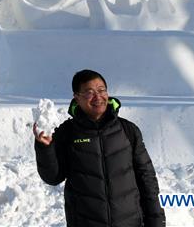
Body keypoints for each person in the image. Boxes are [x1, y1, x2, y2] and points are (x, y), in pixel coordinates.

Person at [33, 70, 166, 227]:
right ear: (76, 97)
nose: (98, 97)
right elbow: (52, 177)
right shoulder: (67, 133)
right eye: (89, 92)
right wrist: (45, 148)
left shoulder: (127, 130)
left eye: (101, 90)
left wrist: (156, 221)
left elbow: (147, 179)